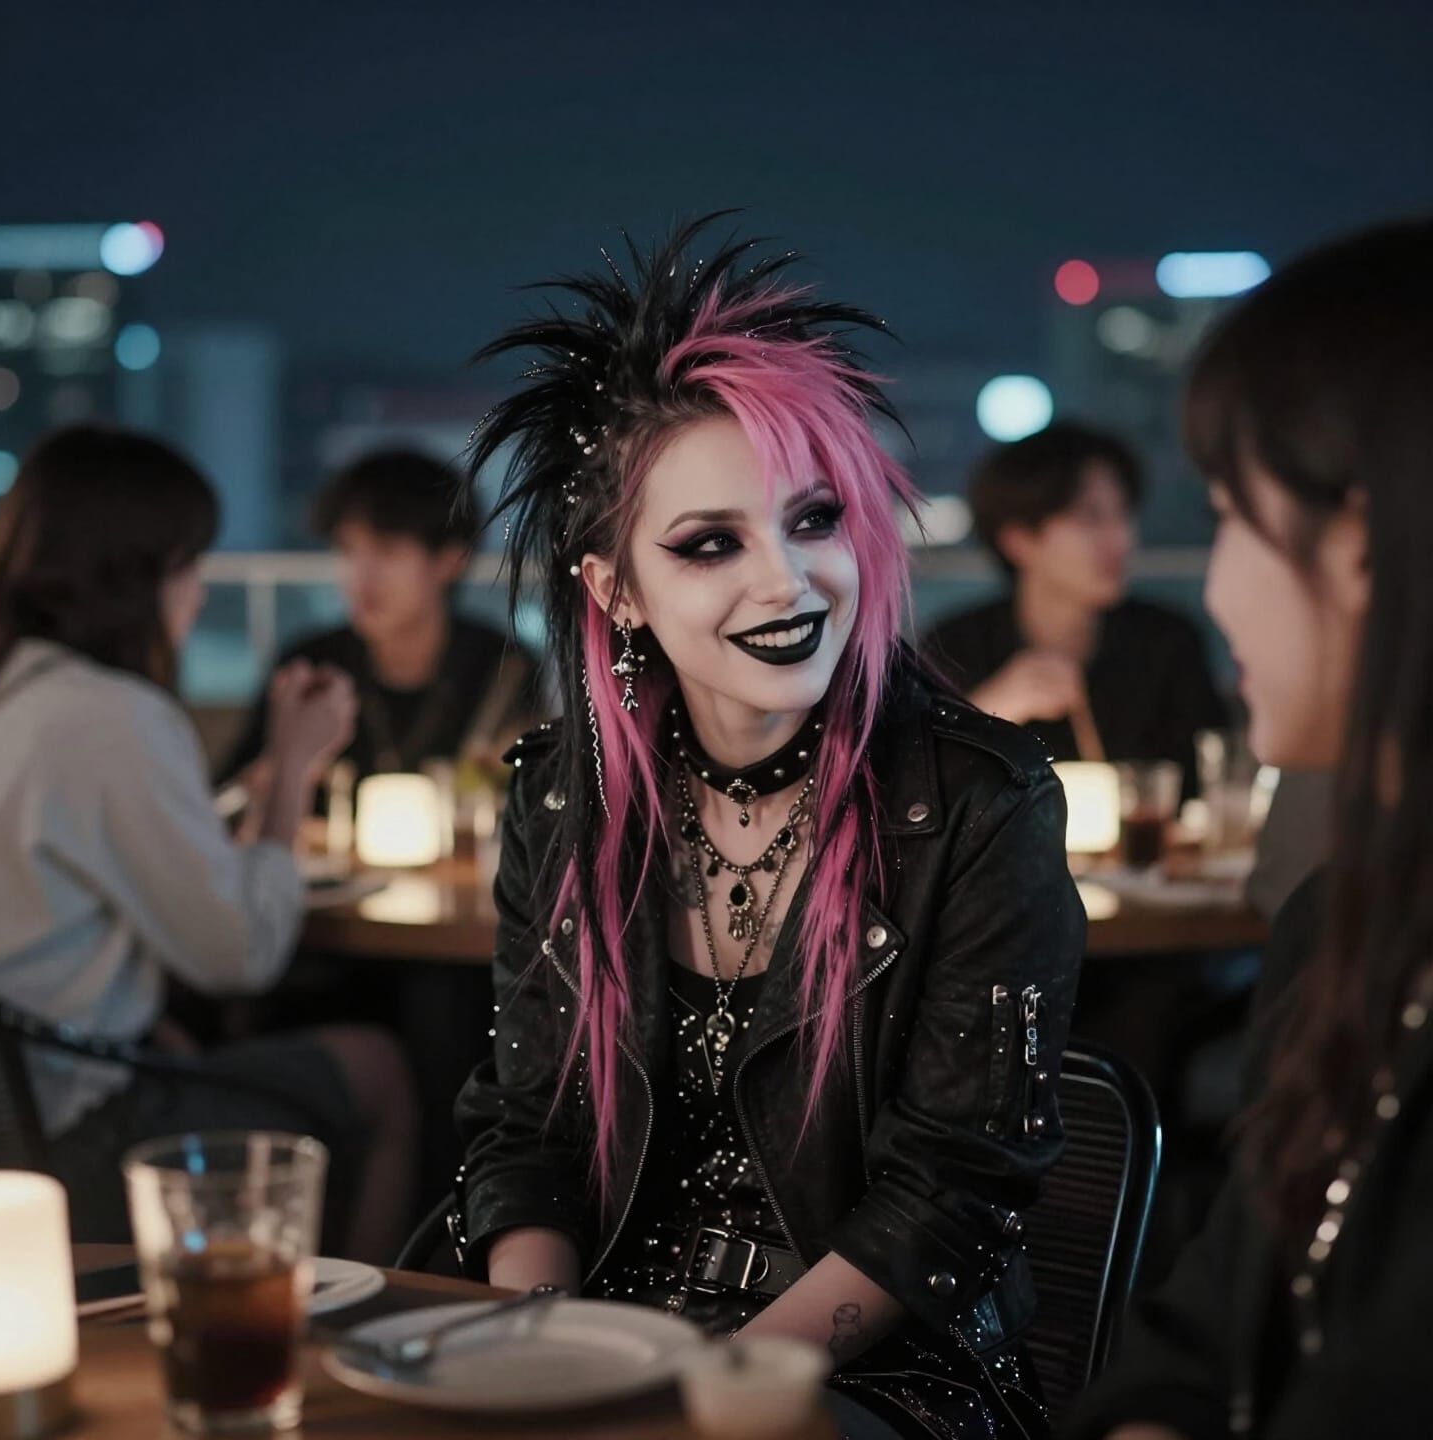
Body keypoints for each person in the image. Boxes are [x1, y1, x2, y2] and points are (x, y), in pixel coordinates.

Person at [450, 219, 1085, 1439]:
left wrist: (708, 1394)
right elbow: (527, 1132)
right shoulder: (555, 797)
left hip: (886, 1370)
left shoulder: (982, 799)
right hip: (607, 1340)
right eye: (709, 545)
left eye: (814, 520)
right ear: (618, 591)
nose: (786, 581)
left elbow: (952, 1192)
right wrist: (544, 1353)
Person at [1065, 219, 1433, 1439]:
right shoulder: (1341, 924)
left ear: (1365, 542)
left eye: (1226, 514)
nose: (1212, 582)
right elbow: (1200, 1338)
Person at [0, 425, 418, 1262]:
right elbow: (242, 954)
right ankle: (360, 1320)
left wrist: (249, 790)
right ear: (136, 575)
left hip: (21, 1104)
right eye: (189, 564)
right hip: (73, 1136)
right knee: (383, 1073)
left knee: (211, 1042)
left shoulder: (20, 692)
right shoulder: (110, 716)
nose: (196, 593)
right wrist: (293, 772)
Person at [921, 423, 1226, 790]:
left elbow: (1211, 779)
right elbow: (915, 786)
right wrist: (988, 712)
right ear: (1018, 540)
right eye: (1091, 517)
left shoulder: (1168, 643)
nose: (1122, 538)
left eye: (1123, 514)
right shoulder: (954, 646)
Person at [219, 449, 539, 791]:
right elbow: (231, 796)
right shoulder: (313, 666)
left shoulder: (501, 665)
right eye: (347, 550)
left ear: (450, 560)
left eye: (386, 550)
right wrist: (287, 766)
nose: (361, 576)